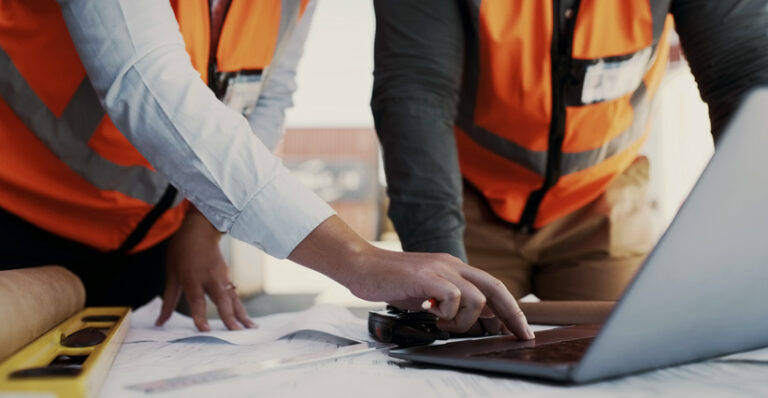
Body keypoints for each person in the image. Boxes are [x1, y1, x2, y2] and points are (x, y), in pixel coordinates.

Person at [0, 0, 534, 340]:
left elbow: (266, 97)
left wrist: (202, 223)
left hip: (144, 244)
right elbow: (143, 82)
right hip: (17, 221)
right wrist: (357, 258)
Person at [371, 1, 768, 318]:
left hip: (602, 198)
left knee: (623, 356)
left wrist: (751, 241)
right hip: (465, 197)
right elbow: (416, 95)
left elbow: (745, 74)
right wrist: (439, 254)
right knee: (452, 354)